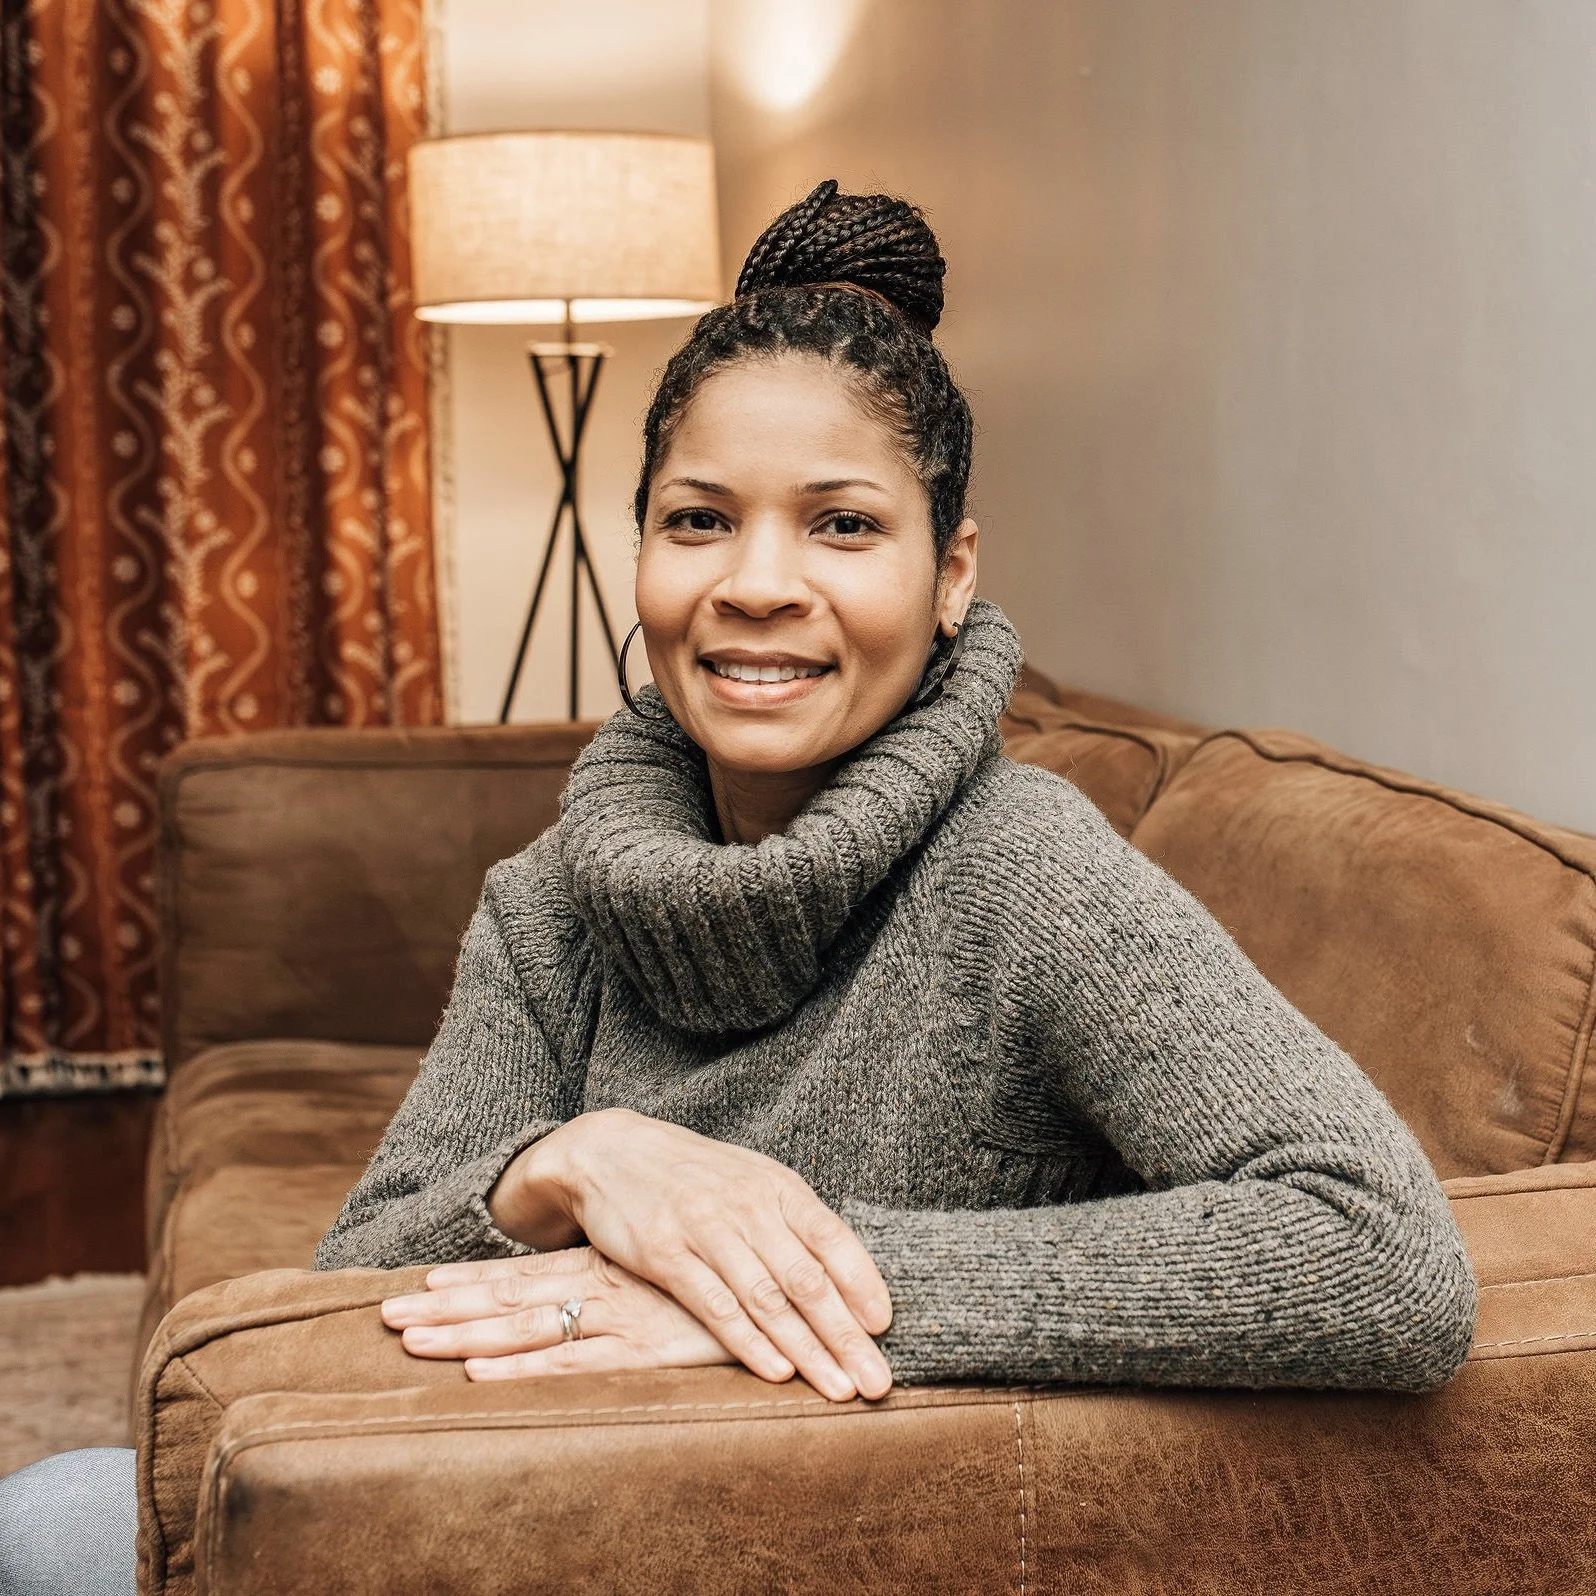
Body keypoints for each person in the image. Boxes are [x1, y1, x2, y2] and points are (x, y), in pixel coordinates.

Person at [0, 180, 1476, 1593]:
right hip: (539, 1516)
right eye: (699, 518)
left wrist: (752, 1292)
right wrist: (571, 1161)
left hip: (857, 1537)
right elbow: (358, 1282)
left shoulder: (1023, 871)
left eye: (844, 524)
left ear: (952, 572)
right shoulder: (554, 902)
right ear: (640, 548)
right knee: (52, 1525)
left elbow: (1380, 1251)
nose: (756, 583)